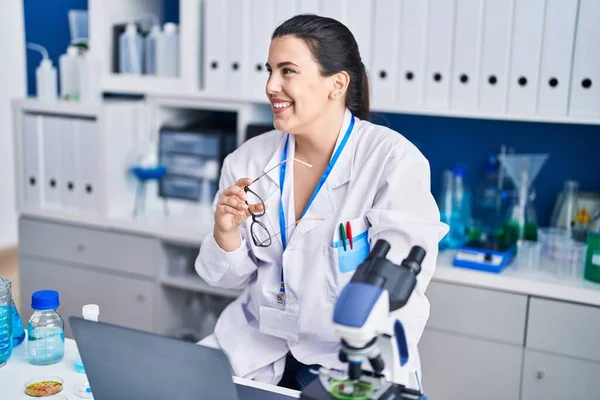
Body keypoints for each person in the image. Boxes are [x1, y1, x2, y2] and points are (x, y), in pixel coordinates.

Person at [195, 14, 448, 391]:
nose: (271, 86)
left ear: (337, 84)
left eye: (287, 71)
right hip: (260, 347)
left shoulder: (392, 162)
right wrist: (225, 232)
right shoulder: (246, 162)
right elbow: (223, 277)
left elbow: (397, 290)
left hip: (347, 361)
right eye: (269, 70)